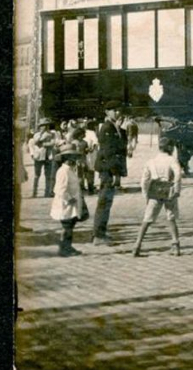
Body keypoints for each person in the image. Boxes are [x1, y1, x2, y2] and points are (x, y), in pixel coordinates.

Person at [131, 137, 182, 257]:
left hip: (155, 191)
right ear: (169, 148)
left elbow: (144, 180)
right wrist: (176, 188)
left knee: (147, 219)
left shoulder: (151, 162)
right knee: (171, 217)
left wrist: (145, 194)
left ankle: (137, 245)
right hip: (169, 190)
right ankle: (175, 245)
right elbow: (178, 174)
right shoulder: (172, 160)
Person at [93, 100, 126, 245]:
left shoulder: (114, 127)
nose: (117, 112)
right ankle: (98, 235)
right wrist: (114, 173)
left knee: (107, 202)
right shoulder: (107, 128)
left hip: (111, 170)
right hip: (108, 170)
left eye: (118, 110)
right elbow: (109, 152)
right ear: (107, 112)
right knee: (104, 202)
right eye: (113, 110)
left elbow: (121, 146)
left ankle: (101, 232)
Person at [50, 142, 86, 257]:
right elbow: (59, 189)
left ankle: (67, 246)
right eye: (72, 157)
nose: (74, 159)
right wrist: (68, 199)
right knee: (67, 226)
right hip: (65, 204)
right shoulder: (63, 171)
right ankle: (64, 248)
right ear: (66, 158)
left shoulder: (70, 170)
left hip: (72, 204)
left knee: (70, 225)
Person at [28, 118, 57, 198]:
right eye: (43, 126)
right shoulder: (36, 134)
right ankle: (34, 192)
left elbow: (53, 143)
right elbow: (36, 141)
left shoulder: (52, 134)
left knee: (48, 175)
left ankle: (47, 192)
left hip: (48, 156)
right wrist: (42, 135)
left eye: (46, 125)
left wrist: (44, 143)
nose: (45, 127)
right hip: (39, 156)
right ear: (40, 126)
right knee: (37, 175)